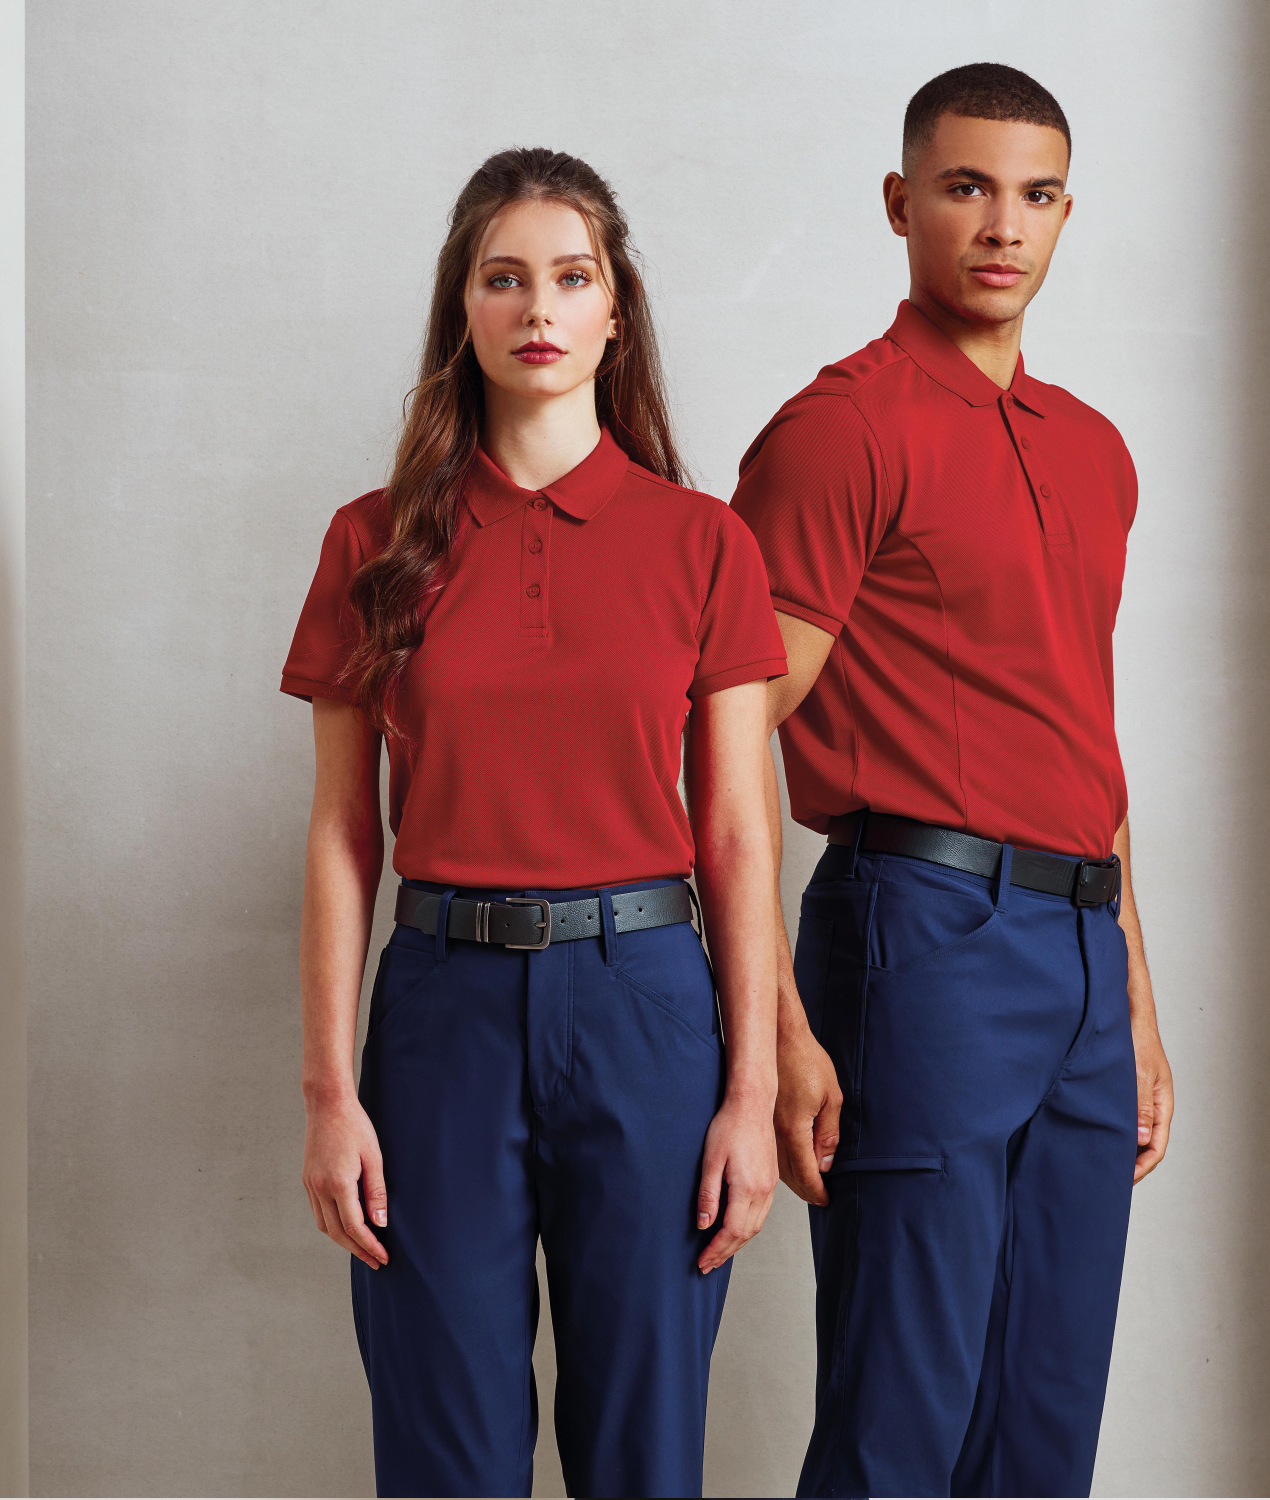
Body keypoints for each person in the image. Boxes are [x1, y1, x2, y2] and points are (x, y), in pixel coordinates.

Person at [281, 147, 784, 1500]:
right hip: (441, 1011)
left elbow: (739, 836)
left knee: (643, 1454)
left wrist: (750, 1093)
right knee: (444, 1455)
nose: (539, 308)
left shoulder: (706, 544)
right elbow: (342, 836)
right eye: (504, 279)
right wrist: (329, 1093)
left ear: (617, 311)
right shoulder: (373, 543)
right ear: (463, 308)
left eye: (572, 277)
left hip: (649, 1009)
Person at [732, 64, 1175, 1498]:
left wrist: (1136, 999)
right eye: (967, 187)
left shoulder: (1093, 451)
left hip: (1080, 952)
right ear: (900, 201)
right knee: (901, 1421)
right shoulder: (839, 433)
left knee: (1046, 1423)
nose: (1002, 225)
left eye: (1035, 194)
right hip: (920, 938)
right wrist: (776, 1025)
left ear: (1065, 215)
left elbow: (1084, 735)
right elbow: (722, 735)